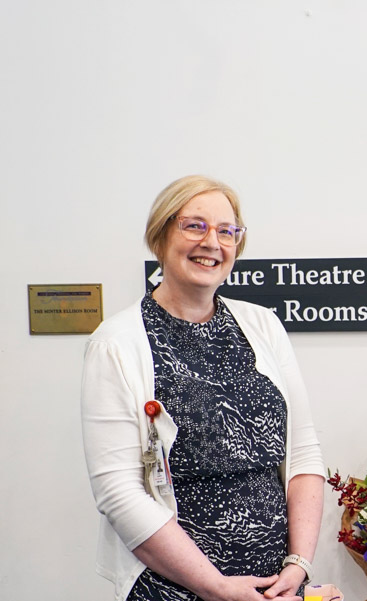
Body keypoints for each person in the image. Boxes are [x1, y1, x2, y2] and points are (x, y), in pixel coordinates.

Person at [81, 175, 326, 601]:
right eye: (194, 225)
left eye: (226, 231)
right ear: (161, 235)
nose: (212, 242)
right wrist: (213, 586)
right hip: (171, 588)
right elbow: (119, 492)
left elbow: (303, 453)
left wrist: (298, 564)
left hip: (276, 588)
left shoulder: (263, 325)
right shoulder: (116, 344)